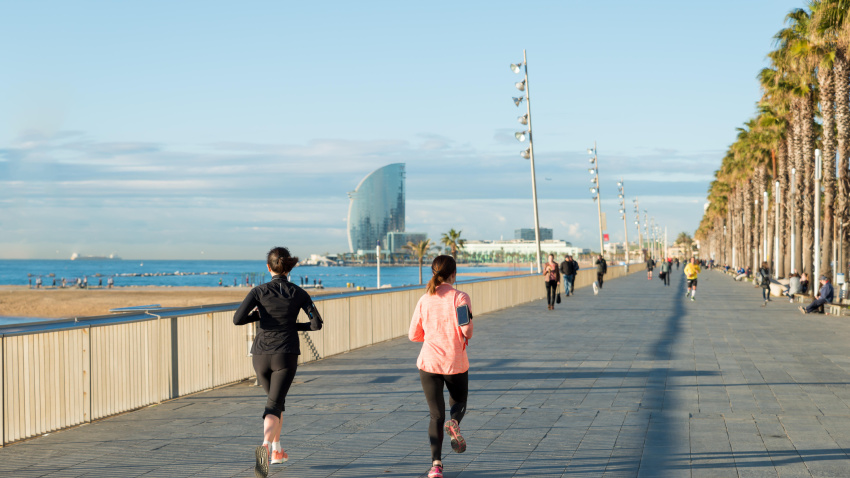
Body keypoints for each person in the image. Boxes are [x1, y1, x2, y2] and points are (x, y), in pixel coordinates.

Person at [232, 247, 323, 478]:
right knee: (273, 405)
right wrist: (293, 326)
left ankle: (277, 450)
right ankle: (264, 445)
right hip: (286, 354)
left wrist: (260, 316)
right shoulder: (299, 292)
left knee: (276, 401)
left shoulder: (258, 291)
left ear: (268, 267)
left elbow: (238, 319)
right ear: (289, 268)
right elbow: (316, 324)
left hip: (260, 355)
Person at [409, 255, 474, 478]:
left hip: (428, 362)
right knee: (459, 402)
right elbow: (467, 331)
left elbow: (413, 335)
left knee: (435, 415)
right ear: (454, 274)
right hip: (454, 362)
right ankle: (454, 422)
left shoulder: (424, 299)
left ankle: (436, 466)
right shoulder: (460, 297)